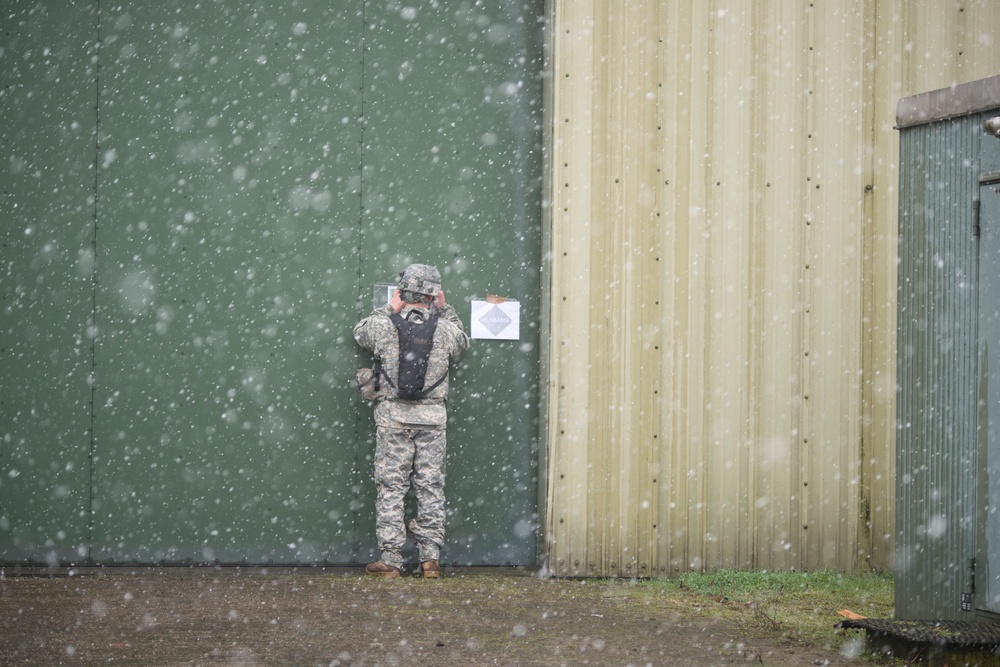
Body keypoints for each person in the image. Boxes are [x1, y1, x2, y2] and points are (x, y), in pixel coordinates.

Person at [353, 264, 469, 578]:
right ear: (433, 295)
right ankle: (430, 559)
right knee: (431, 487)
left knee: (391, 488)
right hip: (432, 419)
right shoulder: (445, 329)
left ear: (404, 291)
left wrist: (391, 307)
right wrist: (445, 308)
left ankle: (390, 559)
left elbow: (360, 331)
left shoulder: (383, 325)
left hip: (393, 418)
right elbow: (463, 342)